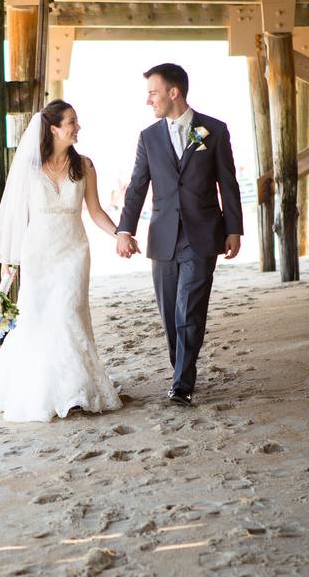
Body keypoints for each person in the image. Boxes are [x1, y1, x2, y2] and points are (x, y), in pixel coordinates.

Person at [0, 100, 124, 422]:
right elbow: (15, 217)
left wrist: (119, 234)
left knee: (68, 314)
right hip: (37, 251)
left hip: (73, 250)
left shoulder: (85, 166)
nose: (77, 127)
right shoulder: (29, 168)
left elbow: (95, 211)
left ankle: (76, 391)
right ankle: (41, 389)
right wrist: (8, 262)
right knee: (37, 319)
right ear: (53, 128)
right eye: (72, 122)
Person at [116, 63, 244, 407]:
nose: (148, 101)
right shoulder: (148, 137)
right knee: (170, 313)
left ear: (174, 92)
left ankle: (182, 383)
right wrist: (124, 230)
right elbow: (137, 187)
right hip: (162, 238)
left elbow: (228, 184)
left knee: (189, 309)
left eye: (153, 93)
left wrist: (234, 229)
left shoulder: (213, 130)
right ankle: (181, 369)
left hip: (202, 236)